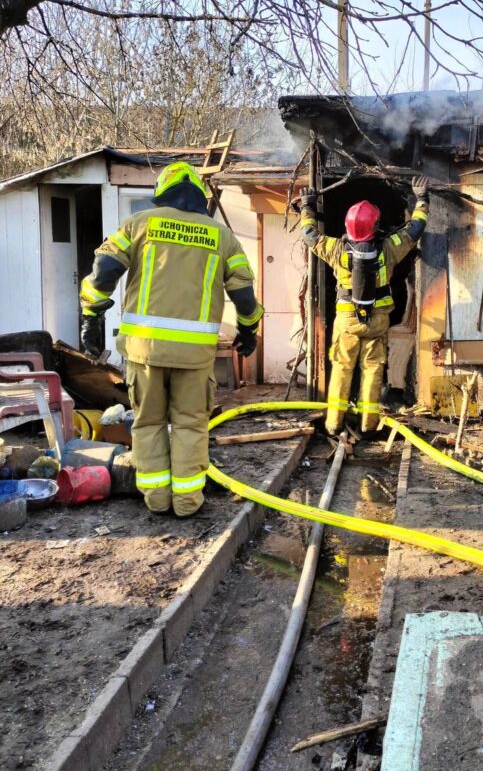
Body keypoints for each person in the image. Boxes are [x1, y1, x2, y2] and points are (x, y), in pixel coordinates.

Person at [79, 161, 262, 517]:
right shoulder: (221, 236)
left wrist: (92, 315)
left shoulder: (140, 224)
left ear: (162, 192)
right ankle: (188, 503)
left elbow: (103, 271)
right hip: (194, 357)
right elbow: (244, 295)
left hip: (144, 352)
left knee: (148, 424)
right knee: (190, 426)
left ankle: (157, 500)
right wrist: (248, 330)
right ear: (199, 196)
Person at [299, 176, 430, 436]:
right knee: (372, 370)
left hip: (347, 320)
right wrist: (422, 198)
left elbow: (309, 235)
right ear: (376, 224)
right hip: (377, 319)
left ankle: (334, 424)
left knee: (341, 368)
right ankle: (368, 425)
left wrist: (307, 206)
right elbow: (415, 229)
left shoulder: (335, 248)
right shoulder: (389, 247)